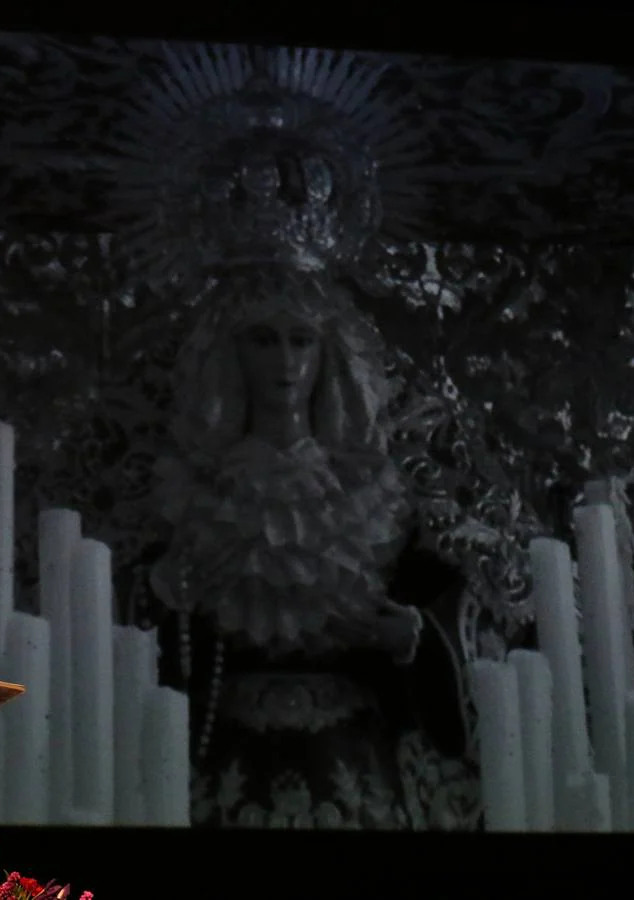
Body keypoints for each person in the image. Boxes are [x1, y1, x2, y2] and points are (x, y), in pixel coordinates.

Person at [148, 265, 480, 830]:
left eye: (301, 340)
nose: (285, 362)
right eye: (264, 340)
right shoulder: (189, 489)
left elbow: (438, 611)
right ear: (234, 355)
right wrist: (163, 594)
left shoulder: (374, 494)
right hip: (224, 766)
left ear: (328, 354)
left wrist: (412, 640)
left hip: (355, 766)